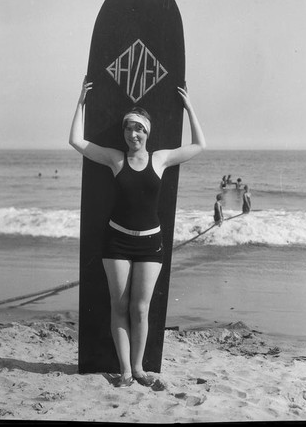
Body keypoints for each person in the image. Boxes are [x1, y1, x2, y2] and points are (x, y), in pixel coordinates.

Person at [69, 77, 206, 388]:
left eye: (140, 128)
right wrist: (80, 102)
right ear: (124, 131)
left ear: (148, 132)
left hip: (150, 244)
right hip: (116, 241)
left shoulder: (160, 159)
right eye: (129, 127)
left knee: (140, 308)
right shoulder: (115, 159)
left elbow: (200, 145)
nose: (134, 133)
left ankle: (139, 368)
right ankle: (126, 372)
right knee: (119, 306)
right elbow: (76, 141)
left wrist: (189, 107)